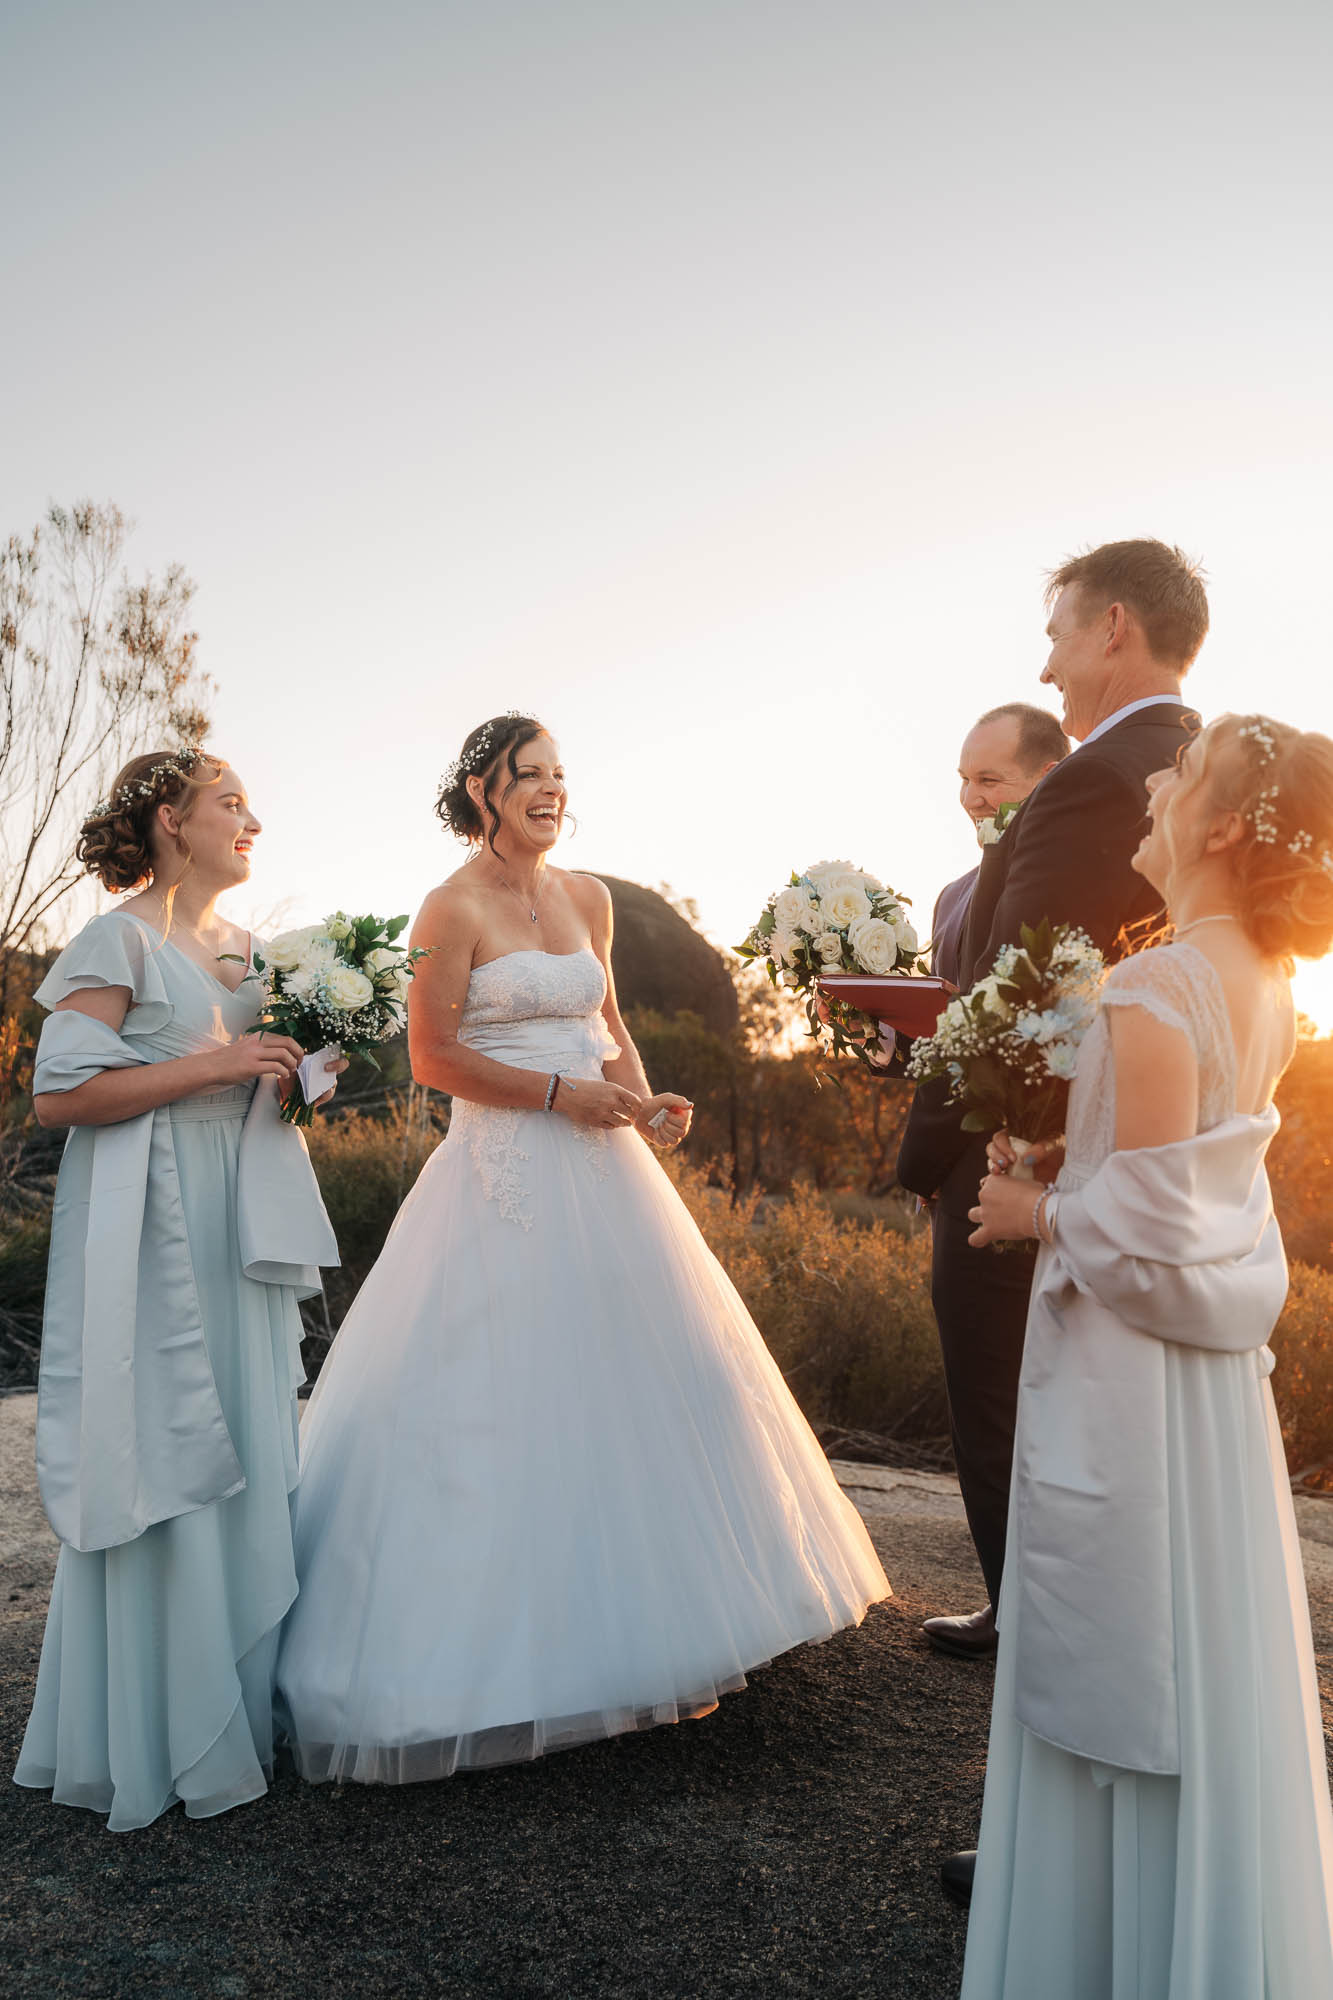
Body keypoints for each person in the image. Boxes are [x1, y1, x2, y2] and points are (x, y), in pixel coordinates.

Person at [276, 715, 890, 1783]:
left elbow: (607, 1018)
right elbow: (434, 1055)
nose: (551, 792)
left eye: (561, 775)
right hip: (503, 1169)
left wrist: (647, 1102)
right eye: (529, 777)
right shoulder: (449, 905)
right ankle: (506, 1658)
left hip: (610, 1168)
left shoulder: (589, 897)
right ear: (482, 789)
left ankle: (661, 1623)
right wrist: (566, 1094)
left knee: (650, 1372)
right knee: (502, 1387)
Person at [958, 713, 1333, 1996]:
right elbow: (1192, 1171)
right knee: (1202, 1647)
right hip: (1214, 1393)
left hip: (1133, 1374)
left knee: (1119, 1632)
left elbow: (1151, 1234)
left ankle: (1100, 1953)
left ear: (1222, 826)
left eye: (1181, 774)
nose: (1156, 783)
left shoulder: (1152, 981)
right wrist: (1076, 1156)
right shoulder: (1263, 981)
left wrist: (1036, 1209)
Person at [13, 749, 341, 1831]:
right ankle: (155, 1732)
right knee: (171, 1441)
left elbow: (254, 1069)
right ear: (168, 819)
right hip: (157, 1228)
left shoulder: (246, 949)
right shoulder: (119, 936)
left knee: (248, 1442)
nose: (254, 817)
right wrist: (218, 1062)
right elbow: (61, 1097)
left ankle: (238, 1707)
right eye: (230, 801)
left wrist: (300, 1069)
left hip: (238, 1223)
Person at [897, 541, 1204, 1672]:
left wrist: (967, 1151)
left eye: (1058, 633)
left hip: (1036, 1161)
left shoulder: (1090, 775)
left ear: (1111, 626)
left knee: (1012, 1401)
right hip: (1171, 1152)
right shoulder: (1208, 759)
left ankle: (1044, 1634)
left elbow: (1015, 991)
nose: (1050, 661)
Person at [931, 704, 1070, 987]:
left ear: (1049, 779)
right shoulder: (950, 898)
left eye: (988, 781)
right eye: (965, 780)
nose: (970, 800)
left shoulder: (1075, 884)